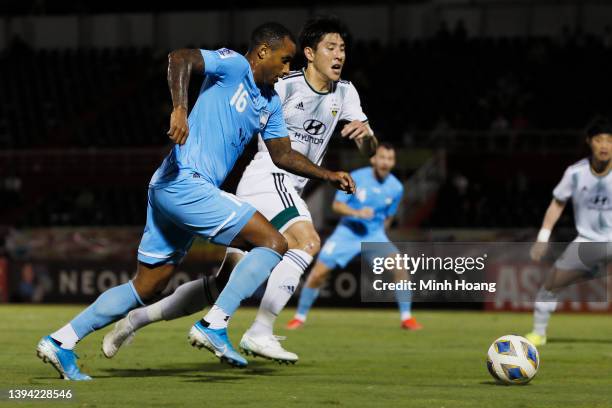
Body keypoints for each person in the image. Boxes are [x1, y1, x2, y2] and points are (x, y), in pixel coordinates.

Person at [36, 22, 354, 380]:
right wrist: (180, 108)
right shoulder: (233, 65)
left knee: (148, 285)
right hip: (184, 182)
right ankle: (214, 325)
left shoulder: (270, 103)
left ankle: (61, 341)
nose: (286, 69)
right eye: (283, 60)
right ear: (263, 52)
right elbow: (180, 58)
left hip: (174, 190)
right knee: (273, 242)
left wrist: (327, 175)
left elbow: (282, 155)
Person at [287, 143, 422, 330]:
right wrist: (357, 213)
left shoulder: (396, 187)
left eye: (390, 159)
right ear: (374, 159)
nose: (385, 162)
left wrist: (379, 235)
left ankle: (406, 318)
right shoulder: (357, 178)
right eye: (382, 158)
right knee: (318, 274)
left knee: (400, 267)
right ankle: (299, 317)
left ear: (393, 162)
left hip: (373, 236)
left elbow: (389, 217)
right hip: (348, 233)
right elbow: (337, 205)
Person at [526, 117, 612, 346]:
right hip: (588, 242)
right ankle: (538, 334)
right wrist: (542, 238)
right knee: (551, 284)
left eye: (610, 141)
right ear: (589, 142)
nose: (605, 145)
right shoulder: (575, 173)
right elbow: (557, 203)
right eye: (599, 140)